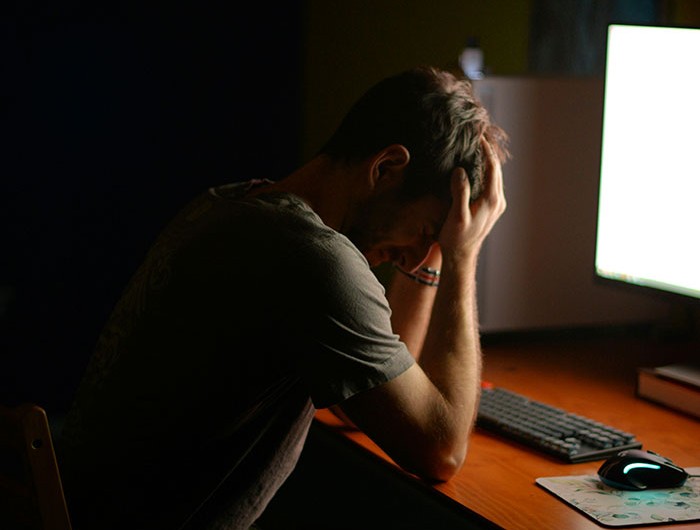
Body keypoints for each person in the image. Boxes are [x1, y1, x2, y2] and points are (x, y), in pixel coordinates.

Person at [56, 65, 509, 529]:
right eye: (425, 234)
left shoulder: (230, 206)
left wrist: (435, 249)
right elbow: (442, 449)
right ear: (387, 168)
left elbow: (375, 402)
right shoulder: (314, 260)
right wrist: (462, 256)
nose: (412, 263)